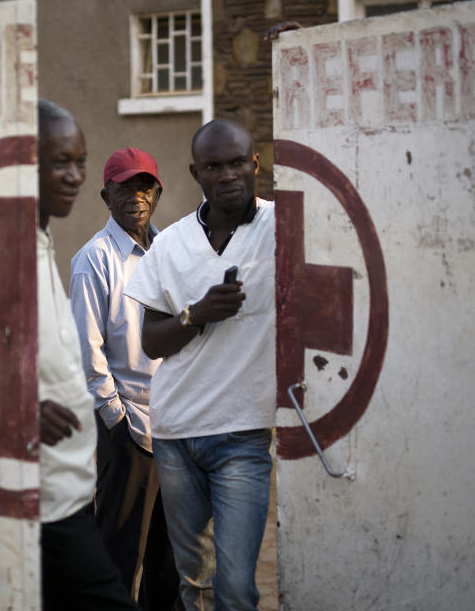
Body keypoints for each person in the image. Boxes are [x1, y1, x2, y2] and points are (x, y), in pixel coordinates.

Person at [123, 119, 277, 610]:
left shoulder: (284, 225)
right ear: (197, 173)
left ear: (254, 164)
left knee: (235, 587)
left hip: (242, 435)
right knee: (196, 585)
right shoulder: (171, 244)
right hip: (174, 436)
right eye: (214, 166)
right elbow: (150, 342)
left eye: (237, 162)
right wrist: (198, 313)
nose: (228, 174)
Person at [35, 99, 139, 611]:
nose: (73, 175)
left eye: (80, 160)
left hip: (70, 480)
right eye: (59, 162)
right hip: (44, 490)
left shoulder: (39, 240)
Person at [69, 148, 180, 610]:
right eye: (123, 187)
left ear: (156, 193)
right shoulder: (94, 258)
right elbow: (87, 349)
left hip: (176, 426)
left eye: (144, 186)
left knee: (170, 561)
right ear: (105, 195)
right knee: (121, 558)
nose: (135, 195)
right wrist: (116, 421)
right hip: (128, 427)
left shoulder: (170, 250)